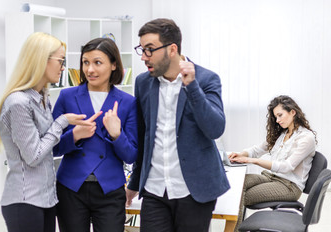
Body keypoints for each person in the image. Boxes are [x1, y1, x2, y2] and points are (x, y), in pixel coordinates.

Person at [126, 18, 230, 232]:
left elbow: (215, 128)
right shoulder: (143, 83)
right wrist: (135, 183)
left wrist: (192, 87)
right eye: (142, 50)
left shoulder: (206, 79)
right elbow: (143, 135)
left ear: (172, 49)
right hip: (155, 188)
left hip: (194, 191)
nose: (144, 57)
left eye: (150, 49)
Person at [0, 32, 94, 232]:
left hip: (46, 199)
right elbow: (34, 156)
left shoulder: (43, 98)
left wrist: (75, 135)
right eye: (60, 61)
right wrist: (62, 122)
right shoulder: (18, 103)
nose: (63, 67)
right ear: (41, 60)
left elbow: (49, 145)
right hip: (24, 201)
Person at [52, 37, 138, 232]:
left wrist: (117, 135)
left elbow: (131, 155)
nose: (90, 69)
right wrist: (74, 135)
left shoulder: (128, 102)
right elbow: (53, 147)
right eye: (85, 62)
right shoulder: (67, 96)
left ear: (114, 65)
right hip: (70, 188)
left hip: (110, 189)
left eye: (97, 63)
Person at [228, 95, 317, 231]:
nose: (278, 120)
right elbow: (258, 149)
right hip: (271, 178)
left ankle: (234, 230)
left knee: (240, 195)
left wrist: (253, 161)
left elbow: (287, 167)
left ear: (293, 112)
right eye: (276, 117)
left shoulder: (306, 138)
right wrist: (242, 154)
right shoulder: (282, 134)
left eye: (280, 115)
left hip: (289, 186)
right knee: (238, 184)